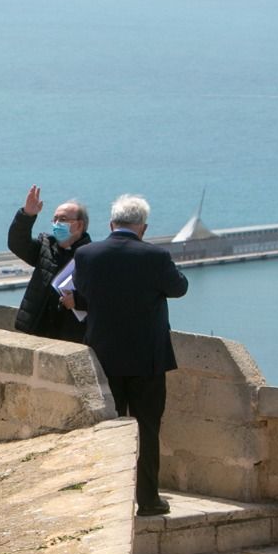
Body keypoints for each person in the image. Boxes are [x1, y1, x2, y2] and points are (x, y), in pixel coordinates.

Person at [69, 194, 189, 516]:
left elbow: (83, 295)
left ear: (111, 224)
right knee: (147, 428)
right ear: (143, 228)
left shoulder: (86, 254)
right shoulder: (156, 256)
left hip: (104, 357)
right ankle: (148, 500)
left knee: (108, 429)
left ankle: (106, 500)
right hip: (147, 360)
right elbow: (179, 288)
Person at [6, 186, 90, 342]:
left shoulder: (92, 256)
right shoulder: (45, 246)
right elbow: (17, 243)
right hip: (38, 330)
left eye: (63, 220)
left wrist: (77, 301)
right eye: (55, 219)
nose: (57, 224)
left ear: (79, 225)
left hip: (71, 335)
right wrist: (27, 215)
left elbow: (102, 298)